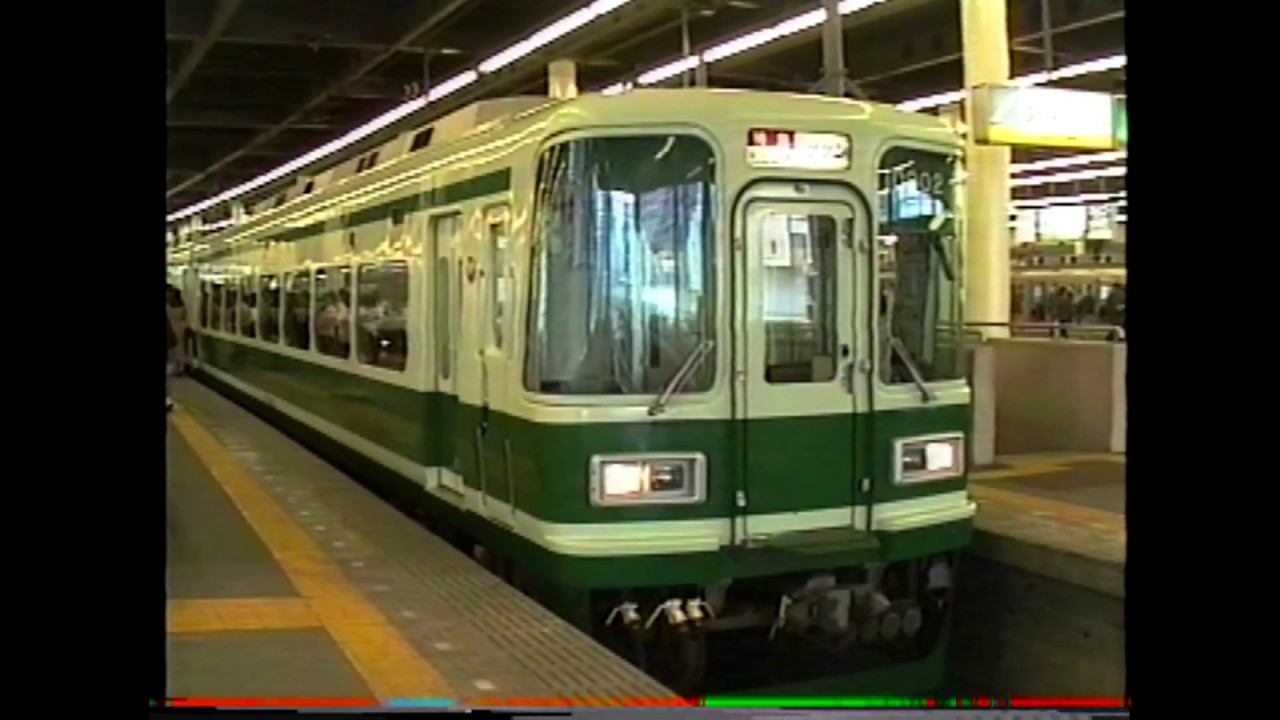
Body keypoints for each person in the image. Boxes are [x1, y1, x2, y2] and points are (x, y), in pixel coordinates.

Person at [166, 285, 189, 375]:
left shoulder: (169, 305)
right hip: (176, 326)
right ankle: (178, 367)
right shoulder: (181, 304)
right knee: (176, 348)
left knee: (178, 348)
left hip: (175, 327)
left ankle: (179, 367)